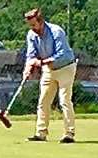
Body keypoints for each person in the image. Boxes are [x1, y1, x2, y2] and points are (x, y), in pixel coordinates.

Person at [21, 8, 78, 143]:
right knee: (43, 100)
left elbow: (61, 54)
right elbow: (31, 56)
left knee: (64, 100)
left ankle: (69, 133)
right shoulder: (31, 35)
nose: (32, 28)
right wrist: (28, 68)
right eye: (30, 25)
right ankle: (41, 133)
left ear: (41, 22)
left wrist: (40, 62)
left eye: (34, 25)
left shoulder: (56, 31)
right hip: (48, 70)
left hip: (65, 67)